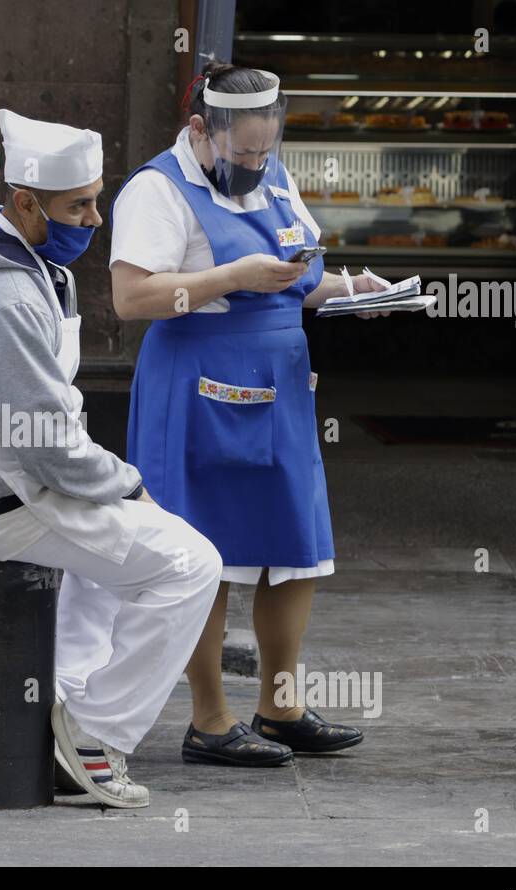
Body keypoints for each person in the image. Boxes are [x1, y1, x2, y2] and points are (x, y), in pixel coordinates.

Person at [0, 109, 224, 809]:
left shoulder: (28, 263)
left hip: (10, 483)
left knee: (116, 562)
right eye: (79, 204)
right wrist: (127, 486)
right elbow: (43, 443)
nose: (95, 217)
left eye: (97, 198)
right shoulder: (0, 297)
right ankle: (93, 736)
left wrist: (108, 488)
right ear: (25, 202)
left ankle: (67, 702)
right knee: (192, 564)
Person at [109, 61, 387, 768]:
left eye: (267, 152)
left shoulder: (274, 174)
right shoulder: (156, 190)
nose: (256, 165)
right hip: (196, 386)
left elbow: (295, 280)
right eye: (242, 155)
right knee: (205, 555)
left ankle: (281, 705)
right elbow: (133, 299)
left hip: (281, 385)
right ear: (201, 131)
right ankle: (210, 718)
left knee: (293, 546)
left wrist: (352, 288)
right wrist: (231, 276)